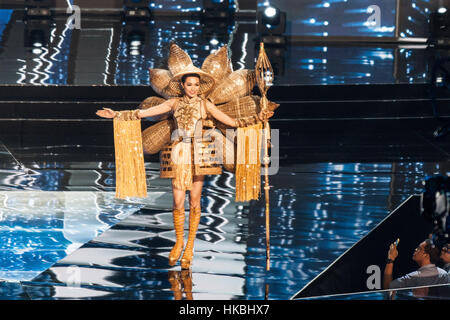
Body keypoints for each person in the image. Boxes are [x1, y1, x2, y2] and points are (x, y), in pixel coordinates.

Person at [97, 65, 273, 269]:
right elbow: (143, 113)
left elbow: (232, 122)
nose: (193, 88)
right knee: (178, 201)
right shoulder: (173, 103)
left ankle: (190, 246)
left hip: (201, 153)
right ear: (182, 85)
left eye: (196, 85)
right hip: (179, 152)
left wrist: (257, 119)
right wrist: (117, 115)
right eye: (189, 84)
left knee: (195, 201)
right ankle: (179, 241)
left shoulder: (205, 104)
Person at [383, 239, 450, 290]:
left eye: (419, 248)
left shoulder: (413, 277)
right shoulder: (444, 274)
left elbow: (387, 288)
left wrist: (390, 258)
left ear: (425, 255)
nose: (415, 249)